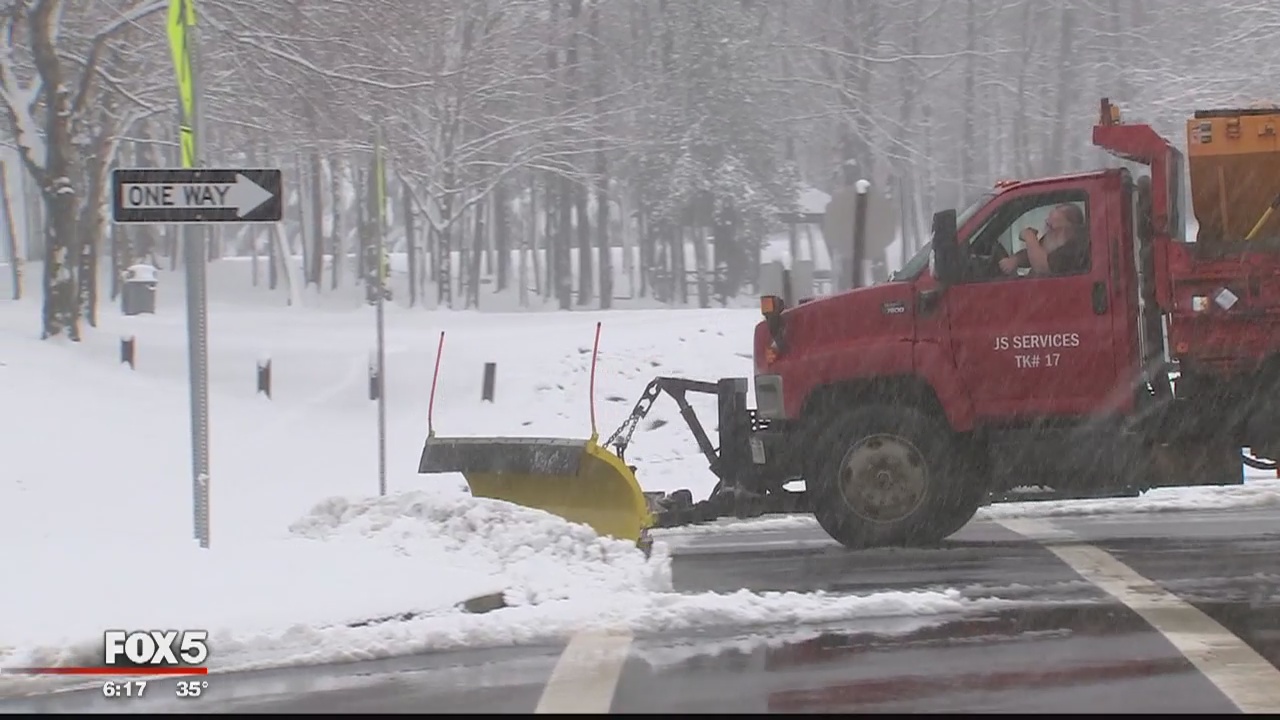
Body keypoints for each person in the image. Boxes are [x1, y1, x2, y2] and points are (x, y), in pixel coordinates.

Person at [998, 203, 1090, 277]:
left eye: (1051, 225)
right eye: (1047, 221)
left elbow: (1042, 267)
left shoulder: (1075, 245)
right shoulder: (1052, 237)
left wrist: (1029, 236)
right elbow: (1034, 253)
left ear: (1070, 226)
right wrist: (1015, 260)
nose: (1047, 226)